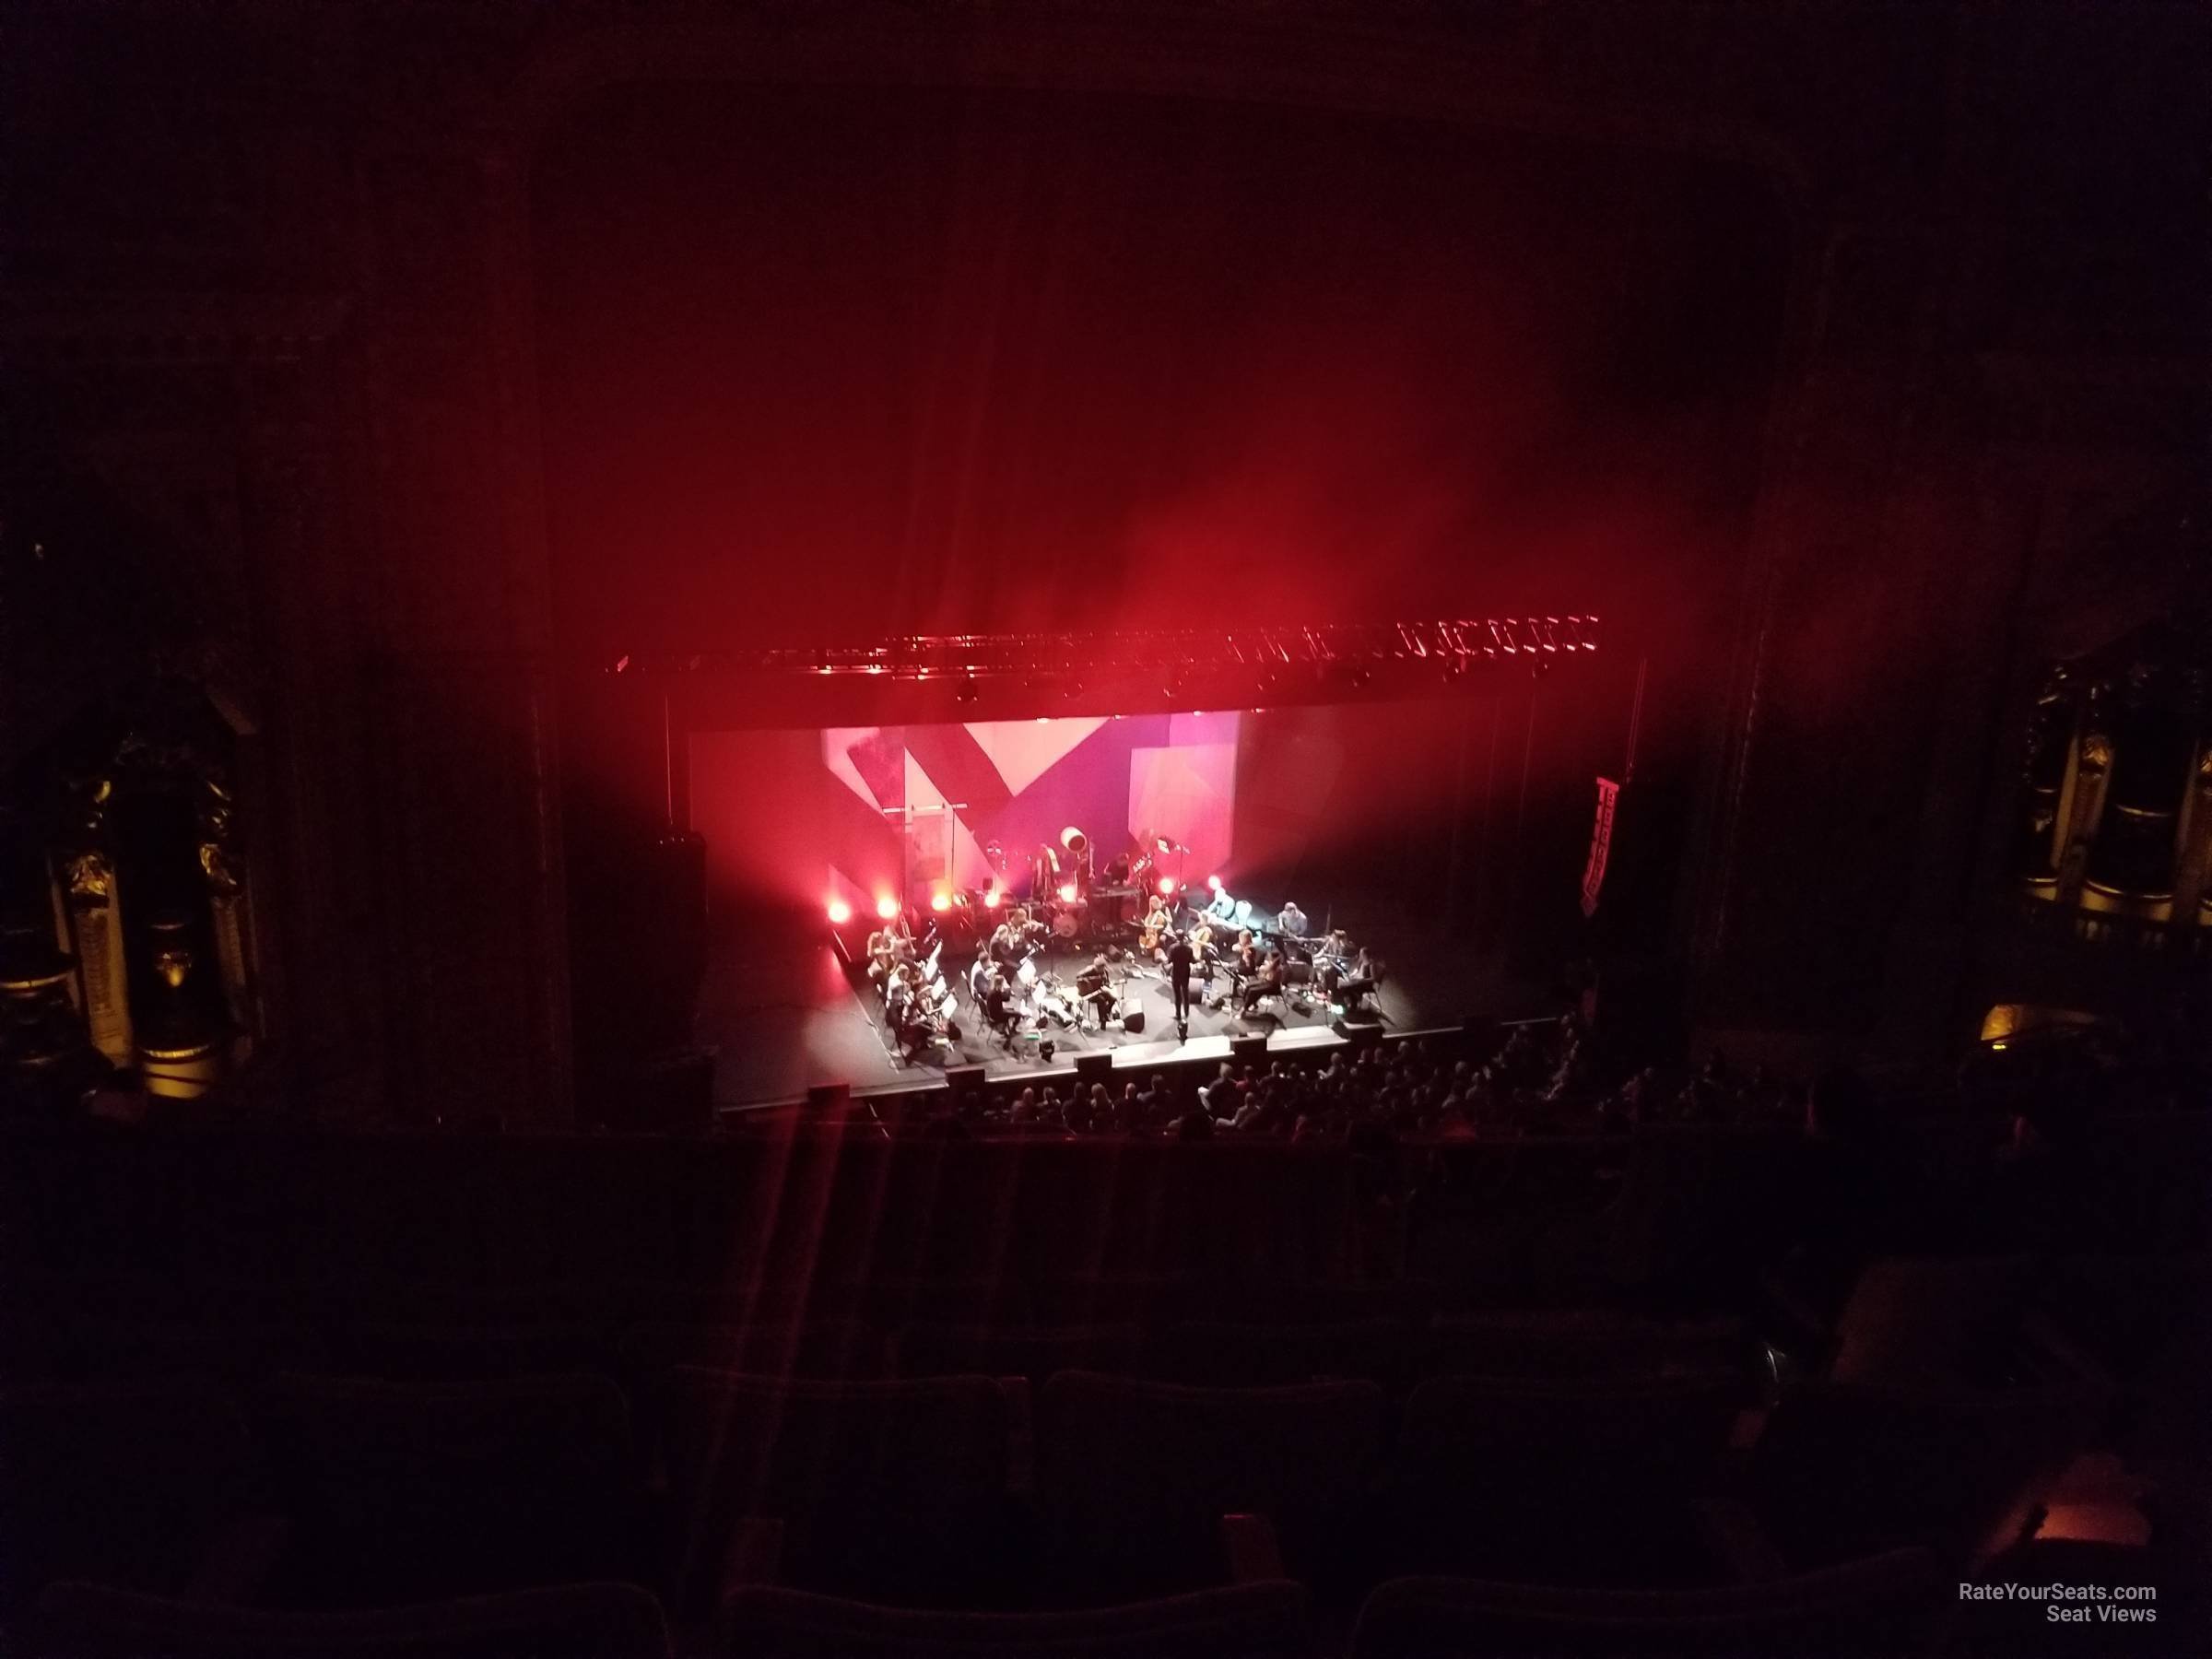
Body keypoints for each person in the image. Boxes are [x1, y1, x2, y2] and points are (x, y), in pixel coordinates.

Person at [1165, 929, 1196, 1027]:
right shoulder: (1189, 948)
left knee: (1177, 994)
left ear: (1176, 937)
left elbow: (1169, 961)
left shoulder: (1173, 948)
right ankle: (1186, 1013)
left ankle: (1178, 1015)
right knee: (1185, 992)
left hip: (1176, 973)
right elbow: (1193, 960)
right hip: (1185, 973)